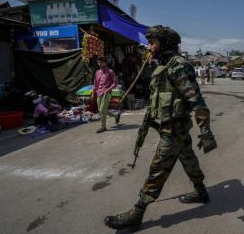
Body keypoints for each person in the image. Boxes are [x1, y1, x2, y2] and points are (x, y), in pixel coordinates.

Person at [104, 25, 217, 231]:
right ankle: (201, 192)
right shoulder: (163, 66)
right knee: (188, 159)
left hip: (174, 129)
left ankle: (137, 212)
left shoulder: (177, 66)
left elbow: (196, 101)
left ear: (165, 43)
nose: (149, 47)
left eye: (152, 42)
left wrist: (206, 131)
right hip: (171, 127)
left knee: (158, 169)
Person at [91, 57, 120, 133]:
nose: (100, 64)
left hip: (107, 93)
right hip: (99, 93)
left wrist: (108, 89)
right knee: (101, 111)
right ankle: (116, 116)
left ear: (105, 63)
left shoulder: (110, 71)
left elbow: (115, 82)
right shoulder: (97, 72)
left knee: (102, 110)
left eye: (101, 62)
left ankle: (103, 127)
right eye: (99, 62)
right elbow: (95, 83)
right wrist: (93, 92)